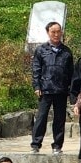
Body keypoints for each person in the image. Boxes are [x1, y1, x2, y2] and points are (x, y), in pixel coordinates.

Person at [30, 20, 74, 153]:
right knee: (41, 117)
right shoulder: (41, 50)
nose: (56, 34)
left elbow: (71, 72)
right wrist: (37, 86)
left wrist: (71, 89)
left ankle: (57, 146)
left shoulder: (66, 51)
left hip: (61, 90)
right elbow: (36, 69)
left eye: (58, 32)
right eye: (53, 32)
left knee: (60, 119)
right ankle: (36, 144)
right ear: (48, 32)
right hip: (45, 89)